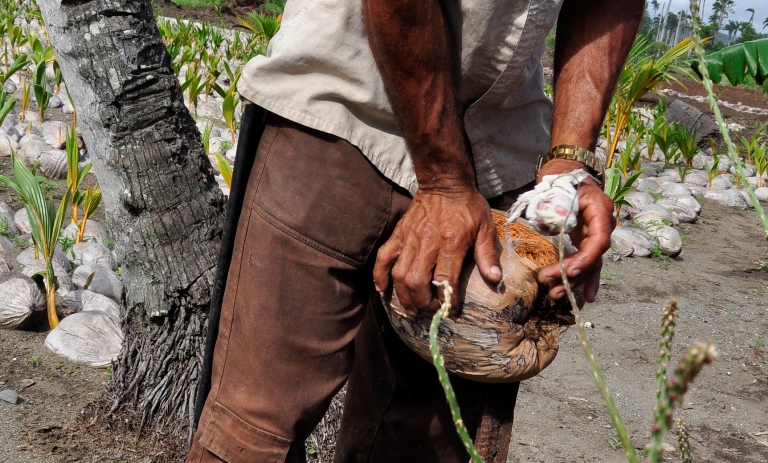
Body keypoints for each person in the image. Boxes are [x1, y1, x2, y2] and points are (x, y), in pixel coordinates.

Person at [188, 0, 644, 462]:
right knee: (252, 434)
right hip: (343, 102)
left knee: (429, 447)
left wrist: (569, 163)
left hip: (498, 136)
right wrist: (444, 180)